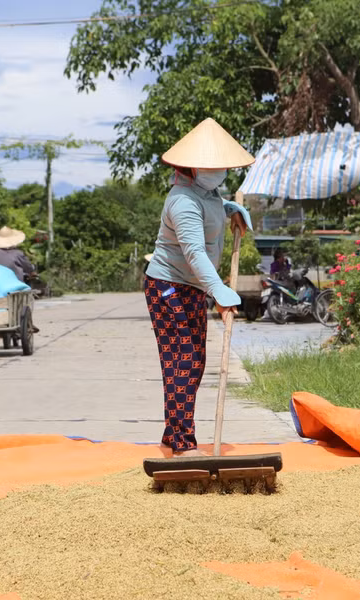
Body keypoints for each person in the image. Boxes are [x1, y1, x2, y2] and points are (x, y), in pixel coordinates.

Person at [144, 118, 254, 458]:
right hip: (169, 286)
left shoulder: (208, 193)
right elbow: (193, 251)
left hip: (191, 288)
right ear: (191, 167)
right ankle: (181, 443)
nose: (218, 170)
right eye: (211, 165)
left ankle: (172, 433)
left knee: (195, 361)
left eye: (221, 165)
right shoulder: (181, 200)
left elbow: (212, 210)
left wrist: (230, 211)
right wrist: (220, 292)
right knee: (182, 360)